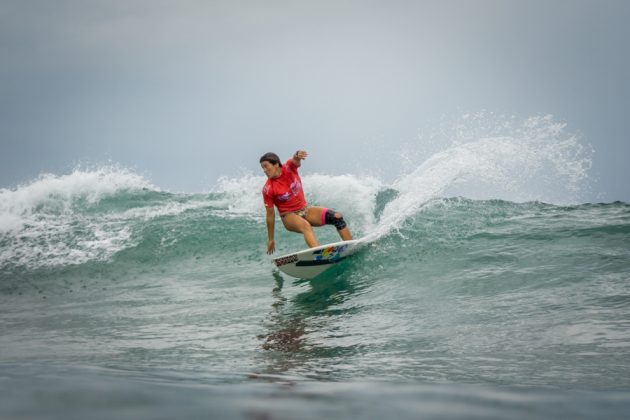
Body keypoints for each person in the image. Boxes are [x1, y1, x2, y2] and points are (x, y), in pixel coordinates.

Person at [260, 151, 352, 254]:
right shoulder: (268, 189)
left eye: (266, 166)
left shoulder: (289, 167)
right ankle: (320, 255)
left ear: (276, 164)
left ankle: (351, 247)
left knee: (336, 217)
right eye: (262, 168)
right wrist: (271, 239)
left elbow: (295, 160)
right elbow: (270, 215)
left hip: (305, 210)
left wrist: (297, 155)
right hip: (288, 216)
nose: (264, 170)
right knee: (305, 226)